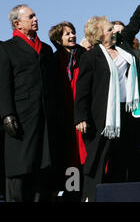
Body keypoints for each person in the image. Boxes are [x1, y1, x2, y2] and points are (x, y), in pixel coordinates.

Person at [74, 0, 140, 201]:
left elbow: (134, 23)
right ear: (100, 33)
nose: (114, 30)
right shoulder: (90, 57)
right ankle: (90, 197)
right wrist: (81, 117)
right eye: (110, 28)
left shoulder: (122, 45)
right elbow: (82, 90)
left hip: (127, 112)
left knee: (128, 157)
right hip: (103, 116)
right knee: (99, 158)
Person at [0, 4, 60, 202]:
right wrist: (7, 114)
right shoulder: (7, 48)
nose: (36, 19)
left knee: (41, 172)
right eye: (31, 16)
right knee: (19, 172)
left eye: (36, 15)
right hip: (20, 119)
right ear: (17, 23)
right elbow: (3, 84)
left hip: (43, 121)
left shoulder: (45, 49)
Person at [48, 21, 87, 201]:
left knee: (84, 154)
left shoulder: (84, 55)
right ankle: (74, 193)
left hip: (82, 114)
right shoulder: (53, 61)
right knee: (70, 158)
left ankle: (88, 191)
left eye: (73, 32)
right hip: (64, 117)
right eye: (67, 34)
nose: (72, 36)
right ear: (58, 39)